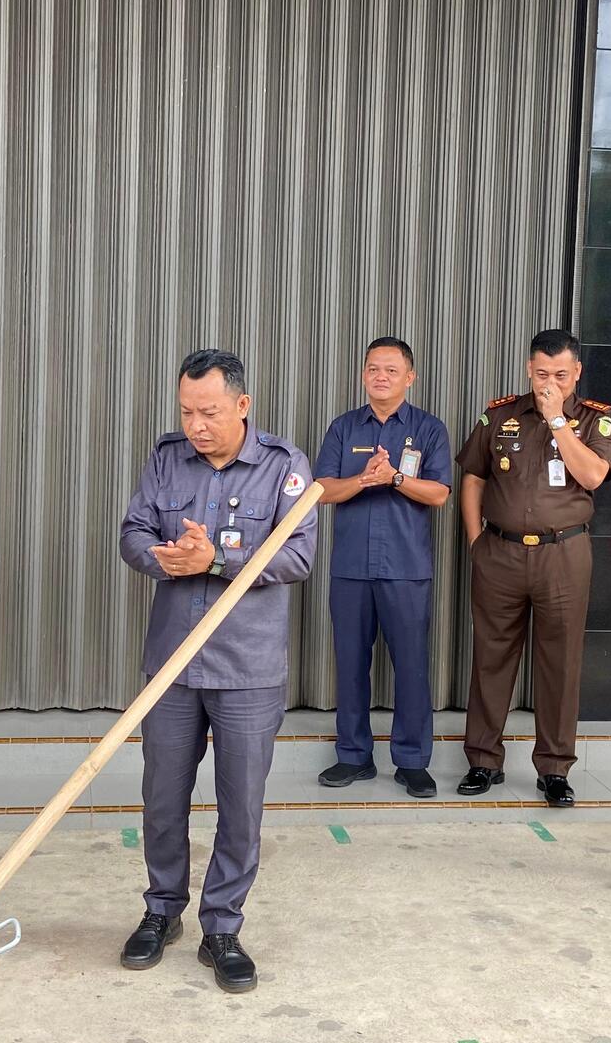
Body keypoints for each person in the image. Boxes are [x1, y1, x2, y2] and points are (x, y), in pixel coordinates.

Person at [117, 349, 318, 992]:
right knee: (162, 796)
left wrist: (219, 564)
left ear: (242, 405)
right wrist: (161, 556)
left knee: (240, 804)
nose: (197, 424)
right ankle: (161, 910)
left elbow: (299, 557)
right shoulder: (165, 458)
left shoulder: (284, 468)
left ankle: (223, 924)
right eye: (187, 411)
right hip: (174, 661)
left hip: (248, 667)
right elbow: (132, 533)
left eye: (209, 412)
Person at [455, 329, 611, 807]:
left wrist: (557, 421)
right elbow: (473, 479)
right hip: (499, 554)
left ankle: (554, 770)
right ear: (529, 369)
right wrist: (475, 541)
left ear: (577, 373)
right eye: (542, 374)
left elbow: (591, 476)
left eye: (561, 375)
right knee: (491, 657)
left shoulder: (594, 421)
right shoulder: (500, 414)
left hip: (563, 555)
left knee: (560, 664)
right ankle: (483, 760)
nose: (551, 382)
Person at [312, 338, 453, 798]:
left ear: (409, 378)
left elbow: (439, 494)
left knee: (411, 665)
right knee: (350, 663)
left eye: (392, 370)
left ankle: (412, 760)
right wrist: (362, 479)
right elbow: (321, 490)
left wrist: (394, 477)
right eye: (373, 368)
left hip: (406, 567)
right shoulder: (343, 428)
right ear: (363, 375)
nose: (381, 377)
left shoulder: (430, 429)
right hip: (351, 567)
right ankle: (353, 756)